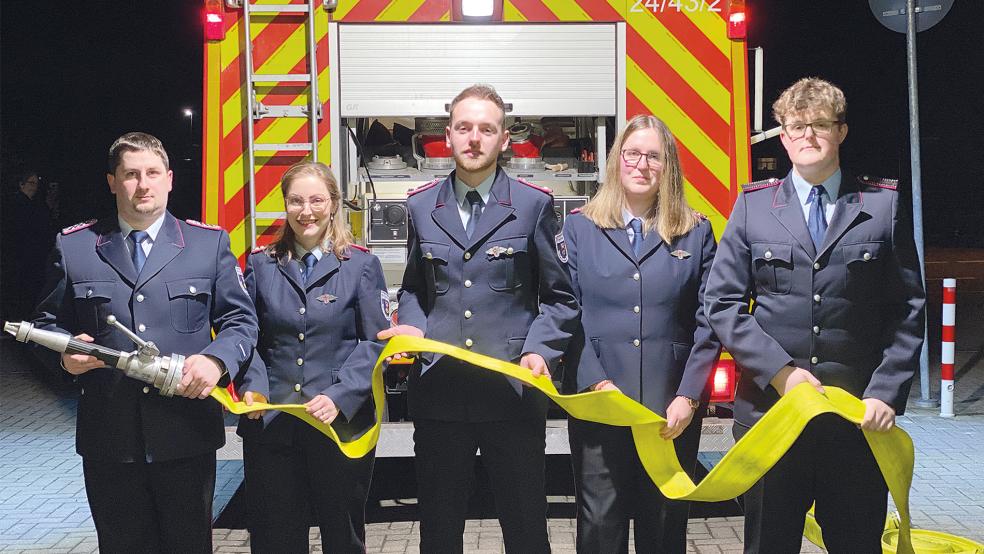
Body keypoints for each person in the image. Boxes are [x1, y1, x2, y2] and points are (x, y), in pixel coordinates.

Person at [704, 78, 925, 553]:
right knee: (768, 544)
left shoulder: (881, 207)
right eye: (796, 125)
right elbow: (720, 302)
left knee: (856, 543)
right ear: (782, 136)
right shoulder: (754, 207)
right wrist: (780, 372)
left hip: (858, 421)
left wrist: (887, 392)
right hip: (771, 417)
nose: (808, 135)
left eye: (820, 124)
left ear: (840, 131)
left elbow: (906, 308)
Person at [31, 132, 259, 553]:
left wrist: (216, 362)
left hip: (185, 434)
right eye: (131, 174)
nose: (143, 184)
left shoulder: (208, 246)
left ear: (169, 179)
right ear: (113, 182)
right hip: (111, 440)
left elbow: (241, 322)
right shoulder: (77, 246)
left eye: (152, 173)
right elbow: (45, 326)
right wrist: (65, 358)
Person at [378, 84, 580, 553]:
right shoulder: (421, 206)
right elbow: (413, 287)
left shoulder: (532, 206)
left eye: (486, 129)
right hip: (440, 398)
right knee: (439, 532)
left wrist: (539, 349)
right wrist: (411, 323)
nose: (474, 138)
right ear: (447, 136)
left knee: (526, 528)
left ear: (504, 139)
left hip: (511, 396)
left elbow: (560, 297)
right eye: (464, 127)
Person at [562, 114, 720, 554]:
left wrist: (689, 396)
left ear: (667, 166)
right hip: (600, 406)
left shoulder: (696, 229)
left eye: (653, 156)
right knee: (598, 526)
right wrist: (595, 381)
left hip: (669, 413)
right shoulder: (580, 227)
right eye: (632, 154)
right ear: (617, 161)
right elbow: (565, 312)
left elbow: (710, 319)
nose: (641, 164)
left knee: (665, 526)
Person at [236, 161, 390, 553]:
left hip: (339, 427)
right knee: (275, 537)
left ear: (335, 203)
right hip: (273, 425)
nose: (307, 211)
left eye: (317, 200)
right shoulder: (259, 265)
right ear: (284, 205)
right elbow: (246, 335)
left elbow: (376, 343)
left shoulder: (361, 265)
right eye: (296, 201)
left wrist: (340, 395)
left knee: (343, 536)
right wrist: (253, 387)